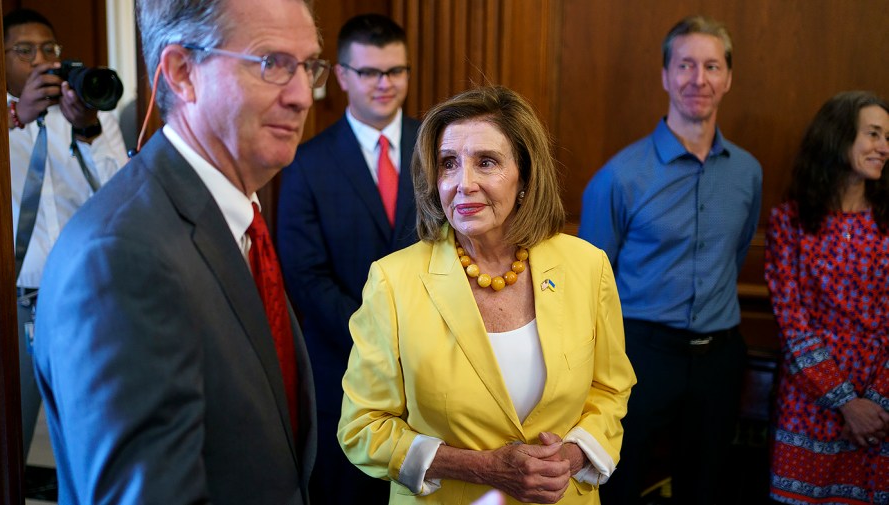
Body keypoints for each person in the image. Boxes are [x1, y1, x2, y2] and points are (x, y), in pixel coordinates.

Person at [31, 0, 328, 502]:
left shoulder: (233, 217)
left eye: (308, 66)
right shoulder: (123, 256)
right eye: (272, 64)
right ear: (183, 72)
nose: (302, 95)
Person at [338, 85, 636, 504]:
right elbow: (362, 426)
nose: (464, 184)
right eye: (448, 164)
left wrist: (570, 457)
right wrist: (484, 468)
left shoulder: (587, 267)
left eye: (487, 162)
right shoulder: (393, 280)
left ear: (525, 176)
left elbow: (609, 390)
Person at [578, 15, 762, 505]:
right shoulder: (618, 177)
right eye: (685, 65)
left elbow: (738, 250)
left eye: (711, 66)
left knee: (705, 489)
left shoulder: (747, 173)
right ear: (665, 75)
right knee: (616, 486)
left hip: (719, 359)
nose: (697, 80)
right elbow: (590, 286)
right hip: (641, 355)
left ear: (728, 78)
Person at [276, 13, 419, 503]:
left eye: (395, 71)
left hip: (433, 367)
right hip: (343, 371)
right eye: (369, 72)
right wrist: (378, 337)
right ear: (340, 75)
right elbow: (304, 277)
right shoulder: (305, 162)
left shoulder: (441, 149)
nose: (385, 84)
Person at [4, 7, 128, 460]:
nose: (40, 61)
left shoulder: (92, 116)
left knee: (92, 430)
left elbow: (125, 198)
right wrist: (16, 116)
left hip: (85, 297)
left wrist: (89, 129)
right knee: (7, 435)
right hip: (13, 302)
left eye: (49, 50)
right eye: (24, 51)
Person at [765, 91, 889, 504]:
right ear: (838, 138)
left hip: (881, 410)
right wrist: (844, 401)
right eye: (873, 134)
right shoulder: (790, 222)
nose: (884, 147)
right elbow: (792, 323)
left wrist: (873, 403)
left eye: (887, 137)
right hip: (809, 402)